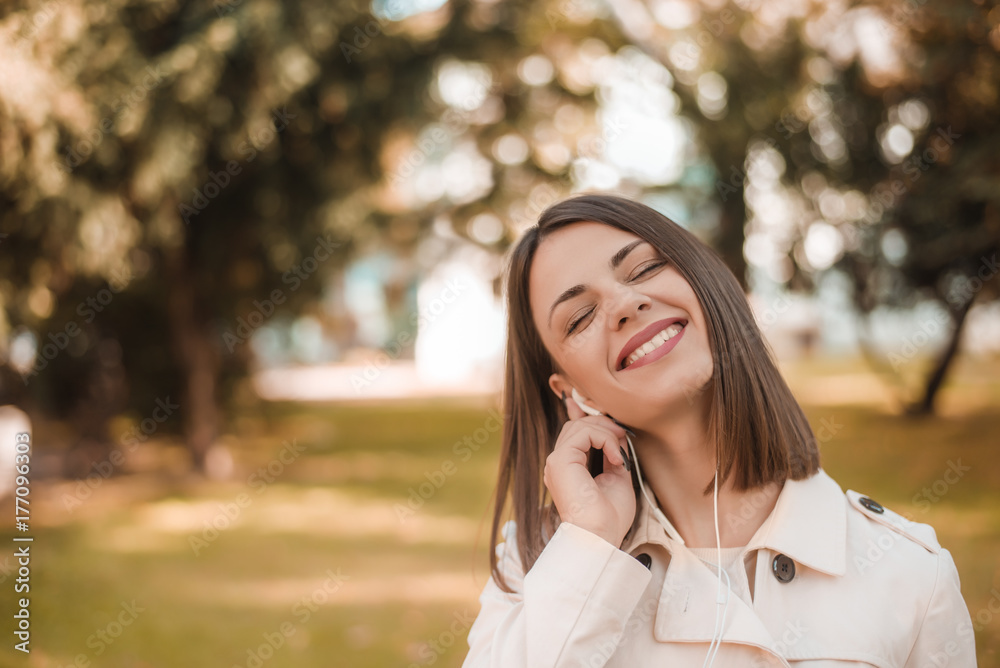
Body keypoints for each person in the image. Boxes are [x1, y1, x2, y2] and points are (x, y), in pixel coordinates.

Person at [462, 194, 977, 667]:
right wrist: (592, 543)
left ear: (706, 285)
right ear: (576, 393)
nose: (624, 305)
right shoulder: (535, 566)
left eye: (643, 268)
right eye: (579, 317)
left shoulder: (910, 574)